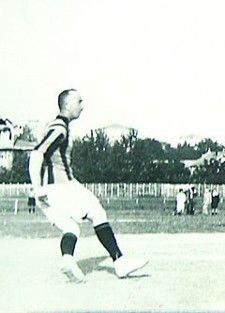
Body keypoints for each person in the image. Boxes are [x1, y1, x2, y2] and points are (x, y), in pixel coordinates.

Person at [28, 89, 147, 283]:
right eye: (79, 101)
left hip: (49, 193)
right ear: (67, 105)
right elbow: (36, 154)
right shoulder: (59, 128)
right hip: (61, 187)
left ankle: (67, 259)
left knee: (71, 228)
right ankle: (120, 261)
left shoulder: (55, 125)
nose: (82, 106)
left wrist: (38, 190)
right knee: (97, 212)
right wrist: (37, 188)